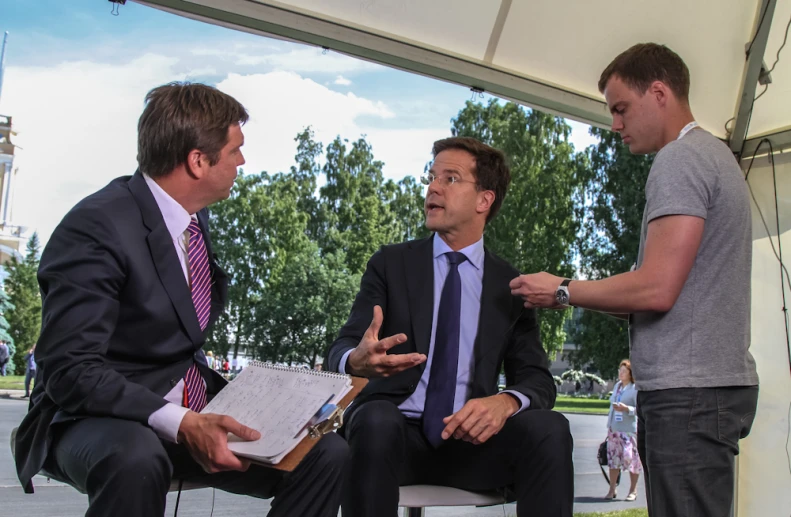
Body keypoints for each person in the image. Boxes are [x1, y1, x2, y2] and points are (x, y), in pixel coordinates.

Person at [13, 82, 347, 517]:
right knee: (136, 459)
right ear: (197, 161)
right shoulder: (97, 226)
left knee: (326, 454)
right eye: (234, 150)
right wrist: (183, 423)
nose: (242, 161)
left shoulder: (192, 218)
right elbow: (70, 370)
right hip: (91, 417)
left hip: (189, 407)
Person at [510, 43, 759, 517]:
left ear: (660, 92)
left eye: (621, 108)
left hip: (690, 391)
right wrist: (574, 295)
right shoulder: (715, 156)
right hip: (708, 388)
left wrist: (562, 289)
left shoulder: (680, 160)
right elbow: (659, 293)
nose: (615, 125)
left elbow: (655, 289)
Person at [326, 136, 573, 517]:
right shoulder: (391, 264)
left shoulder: (509, 285)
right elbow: (341, 348)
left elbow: (538, 381)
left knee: (550, 429)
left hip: (471, 445)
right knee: (374, 419)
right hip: (391, 438)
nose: (433, 187)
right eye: (432, 176)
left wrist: (505, 402)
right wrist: (354, 360)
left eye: (451, 178)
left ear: (483, 200)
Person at [603, 359, 640, 501]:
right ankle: (612, 489)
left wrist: (627, 409)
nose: (621, 373)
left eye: (624, 371)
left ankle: (633, 490)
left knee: (631, 459)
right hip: (614, 430)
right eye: (620, 370)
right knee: (613, 461)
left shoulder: (634, 388)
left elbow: (639, 409)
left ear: (630, 374)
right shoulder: (617, 386)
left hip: (628, 431)